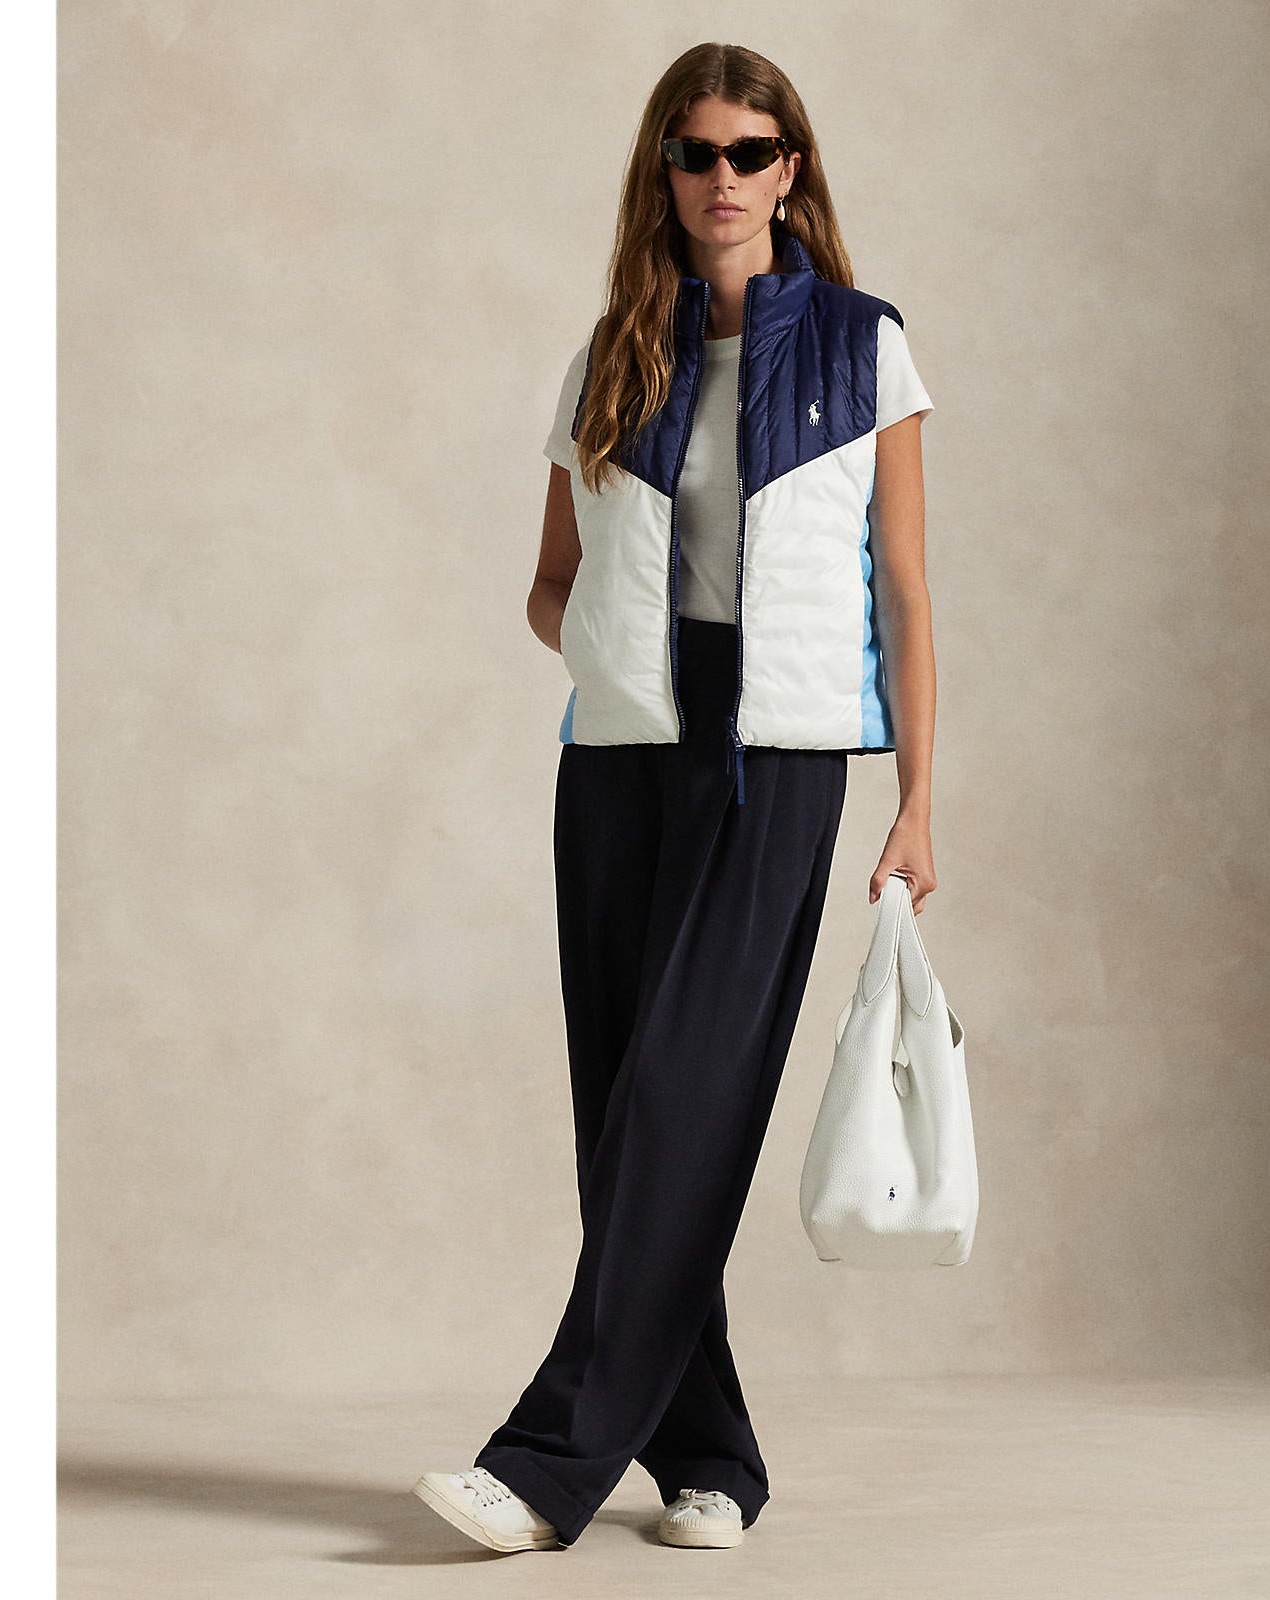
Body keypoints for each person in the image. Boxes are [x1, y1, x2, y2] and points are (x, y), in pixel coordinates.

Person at [414, 40, 940, 1555]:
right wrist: (609, 651)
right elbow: (549, 584)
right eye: (696, 152)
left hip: (783, 754)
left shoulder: (863, 348)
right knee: (627, 1109)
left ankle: (546, 1466)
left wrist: (918, 800)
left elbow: (905, 593)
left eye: (750, 152)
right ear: (665, 171)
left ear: (792, 171)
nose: (723, 178)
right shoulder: (612, 357)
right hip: (623, 755)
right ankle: (712, 1458)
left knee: (684, 1095)